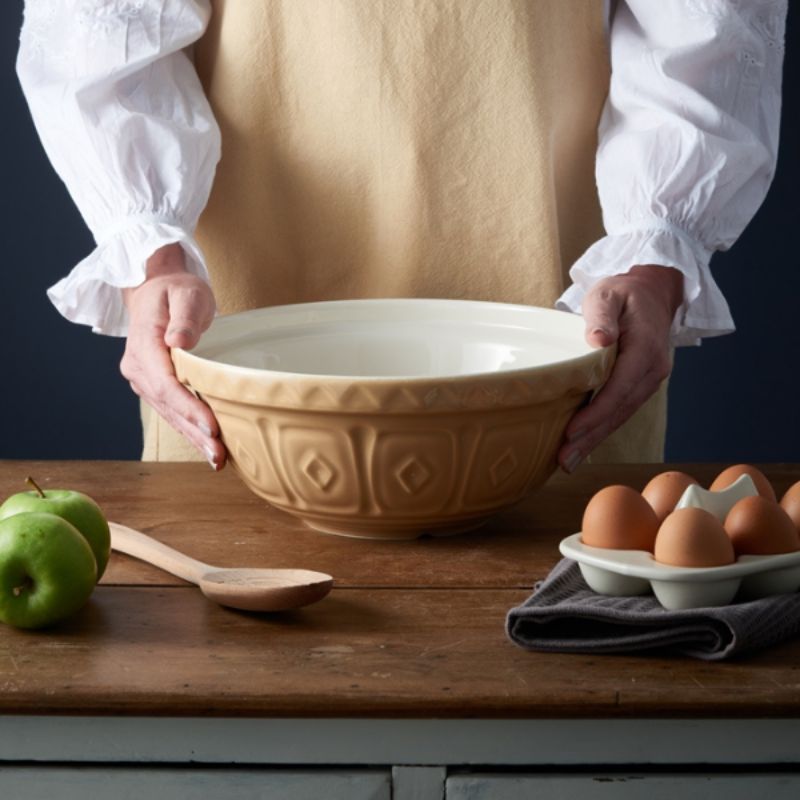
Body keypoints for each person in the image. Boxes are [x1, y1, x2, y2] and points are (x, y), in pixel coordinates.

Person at [17, 1, 787, 473]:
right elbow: (99, 27)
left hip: (565, 353)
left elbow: (706, 23)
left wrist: (655, 258)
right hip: (236, 363)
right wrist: (149, 255)